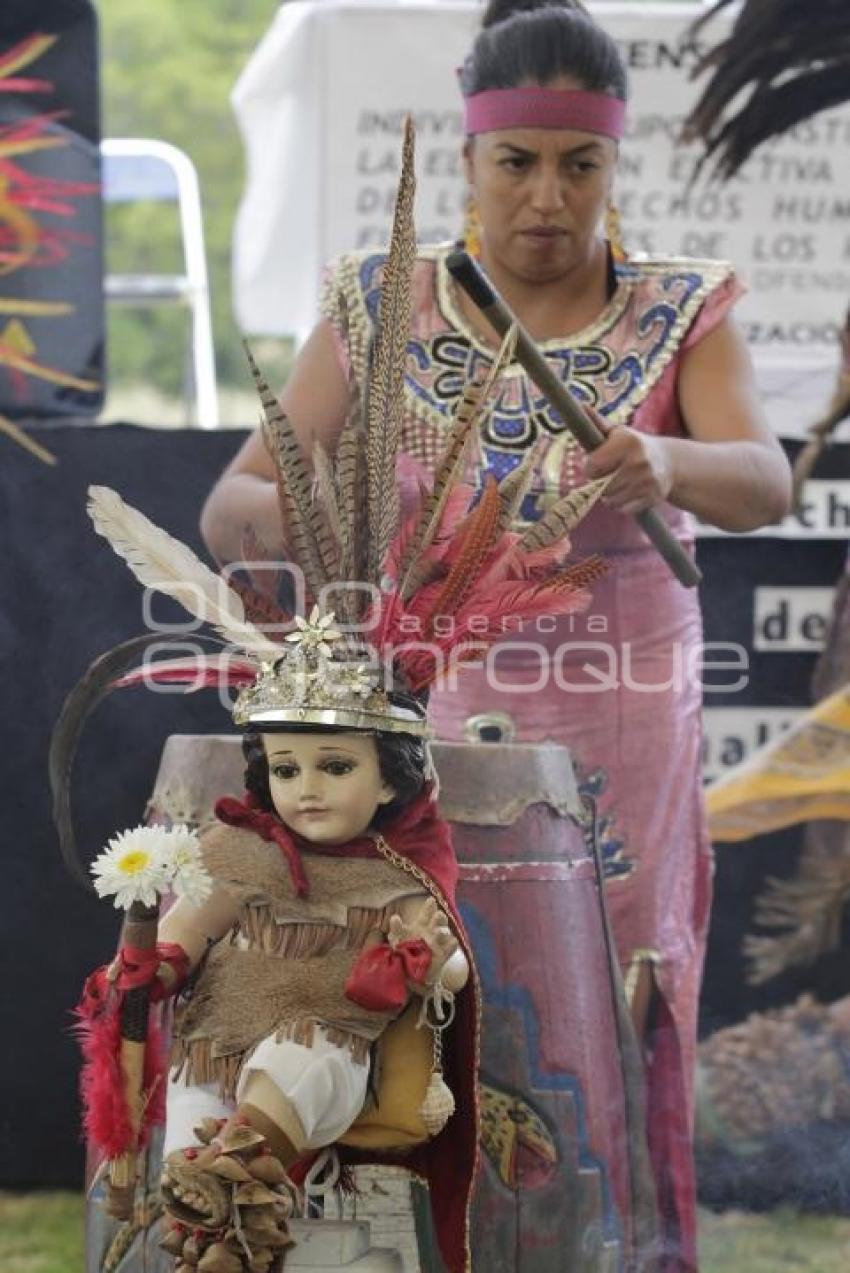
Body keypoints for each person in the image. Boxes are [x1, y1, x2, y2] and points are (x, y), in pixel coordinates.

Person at [200, 1, 792, 1267]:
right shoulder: (380, 303)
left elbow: (765, 481)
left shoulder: (678, 312)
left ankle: (619, 1246)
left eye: (579, 165)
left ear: (612, 166)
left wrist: (668, 458)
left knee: (614, 977)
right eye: (515, 161)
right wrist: (310, 524)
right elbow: (234, 501)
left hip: (616, 713)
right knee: (416, 968)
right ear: (467, 159)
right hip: (424, 712)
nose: (546, 196)